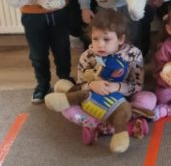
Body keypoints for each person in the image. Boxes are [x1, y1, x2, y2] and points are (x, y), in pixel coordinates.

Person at [46, 8, 147, 153]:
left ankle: (101, 127)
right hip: (93, 100)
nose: (100, 45)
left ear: (120, 39)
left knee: (148, 99)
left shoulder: (133, 54)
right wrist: (92, 84)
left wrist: (117, 87)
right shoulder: (87, 56)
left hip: (121, 101)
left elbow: (137, 85)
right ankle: (111, 126)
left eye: (106, 39)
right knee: (66, 108)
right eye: (95, 39)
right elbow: (80, 85)